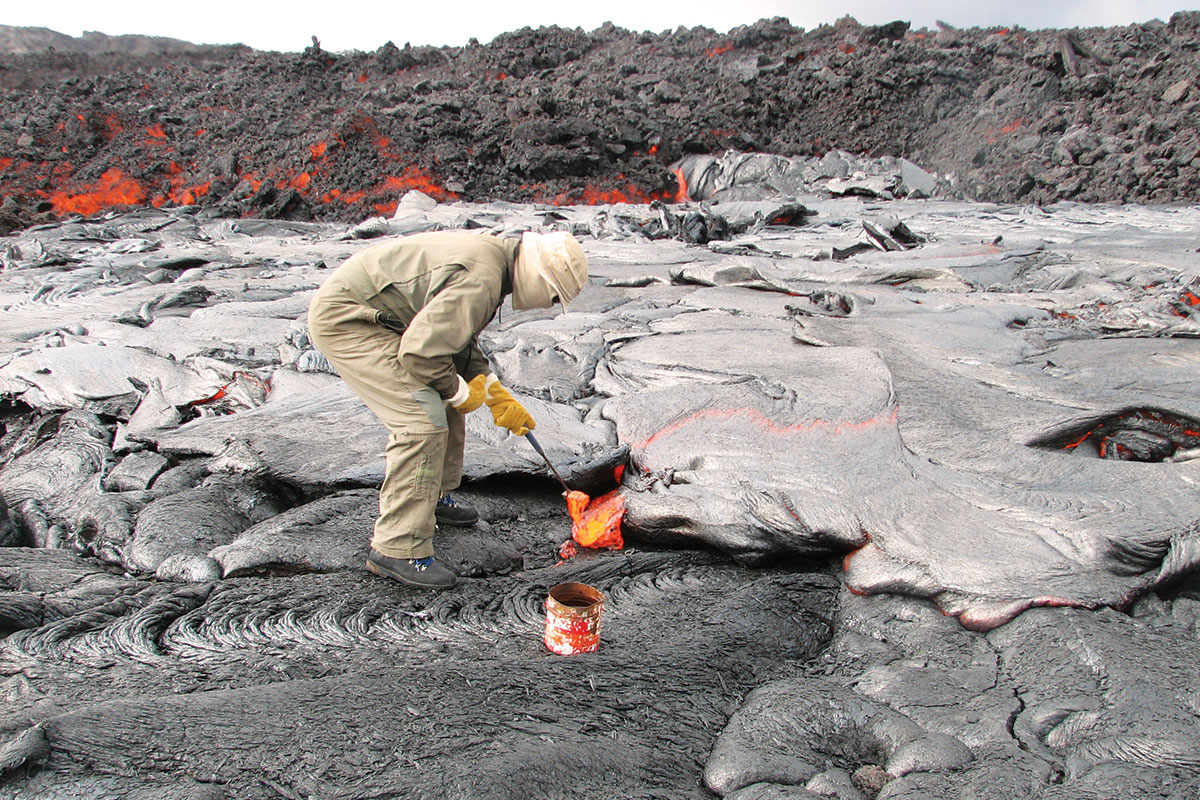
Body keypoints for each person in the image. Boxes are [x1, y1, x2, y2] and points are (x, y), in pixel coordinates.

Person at [307, 230, 588, 589]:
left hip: (389, 320)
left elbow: (456, 339)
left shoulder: (495, 262)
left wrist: (492, 391)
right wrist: (458, 391)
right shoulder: (484, 278)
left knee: (446, 392)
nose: (548, 304)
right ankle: (397, 546)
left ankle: (433, 496)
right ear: (539, 278)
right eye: (552, 296)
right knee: (421, 420)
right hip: (350, 321)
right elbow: (421, 354)